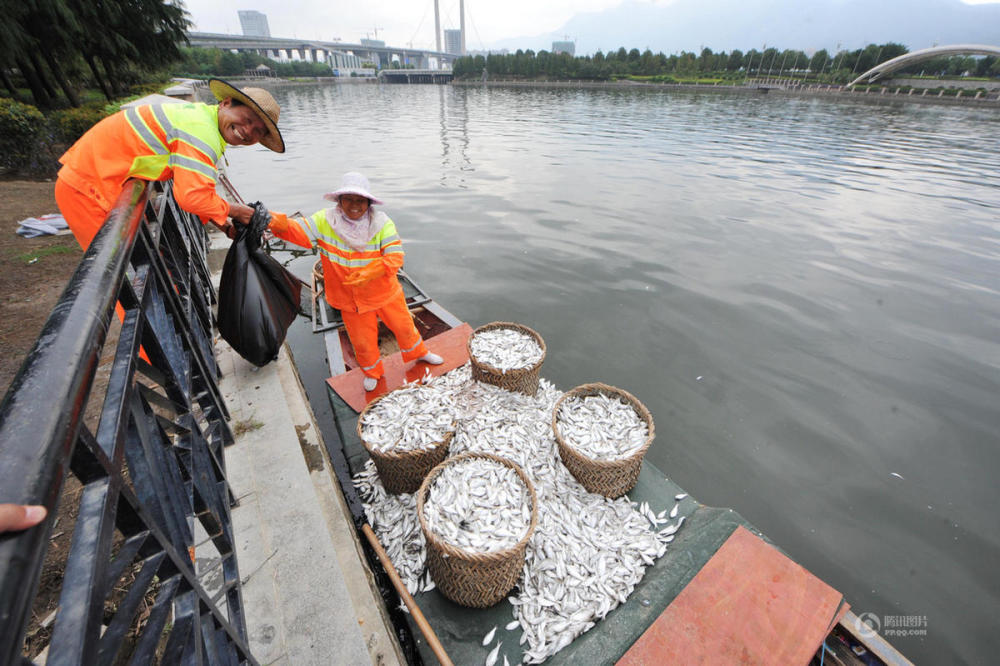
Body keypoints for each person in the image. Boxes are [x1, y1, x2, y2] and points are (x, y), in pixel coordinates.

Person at [54, 78, 285, 249]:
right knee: (116, 277)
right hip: (88, 188)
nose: (247, 132)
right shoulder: (201, 132)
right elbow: (192, 197)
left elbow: (189, 184)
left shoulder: (203, 119)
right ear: (225, 103)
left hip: (105, 181)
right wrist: (238, 211)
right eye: (246, 120)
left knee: (143, 266)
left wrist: (224, 224)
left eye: (257, 131)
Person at [268, 172, 443, 391]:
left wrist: (371, 272)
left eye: (360, 200)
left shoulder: (382, 223)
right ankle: (372, 372)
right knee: (362, 341)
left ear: (368, 203)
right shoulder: (325, 220)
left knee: (405, 327)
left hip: (384, 293)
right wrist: (270, 219)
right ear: (339, 201)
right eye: (348, 199)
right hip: (349, 300)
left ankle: (420, 353)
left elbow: (395, 256)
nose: (354, 205)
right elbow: (297, 230)